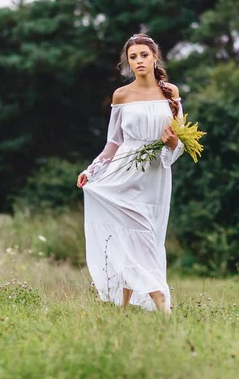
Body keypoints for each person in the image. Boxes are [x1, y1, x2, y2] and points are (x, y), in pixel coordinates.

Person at [76, 33, 184, 313]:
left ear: (154, 57)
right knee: (134, 235)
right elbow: (114, 142)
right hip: (123, 172)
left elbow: (180, 139)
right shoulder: (121, 95)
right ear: (128, 61)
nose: (138, 61)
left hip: (155, 176)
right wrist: (92, 169)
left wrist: (173, 144)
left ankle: (124, 309)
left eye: (144, 55)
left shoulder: (171, 93)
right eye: (133, 57)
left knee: (145, 235)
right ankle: (160, 300)